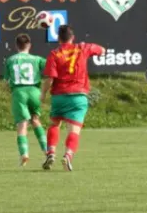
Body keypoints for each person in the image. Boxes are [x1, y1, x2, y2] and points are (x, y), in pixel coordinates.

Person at [40, 25, 105, 171]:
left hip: (59, 96)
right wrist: (89, 49)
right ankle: (68, 155)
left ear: (58, 39)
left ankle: (50, 153)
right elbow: (102, 50)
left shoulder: (54, 53)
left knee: (54, 124)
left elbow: (50, 78)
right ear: (72, 37)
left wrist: (43, 93)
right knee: (74, 130)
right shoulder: (82, 48)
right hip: (78, 96)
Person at [3, 34, 48, 167]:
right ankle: (46, 150)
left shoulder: (10, 60)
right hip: (35, 91)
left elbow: (6, 82)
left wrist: (11, 91)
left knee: (22, 125)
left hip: (19, 92)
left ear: (16, 45)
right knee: (35, 120)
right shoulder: (37, 59)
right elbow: (51, 67)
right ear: (29, 45)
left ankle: (24, 154)